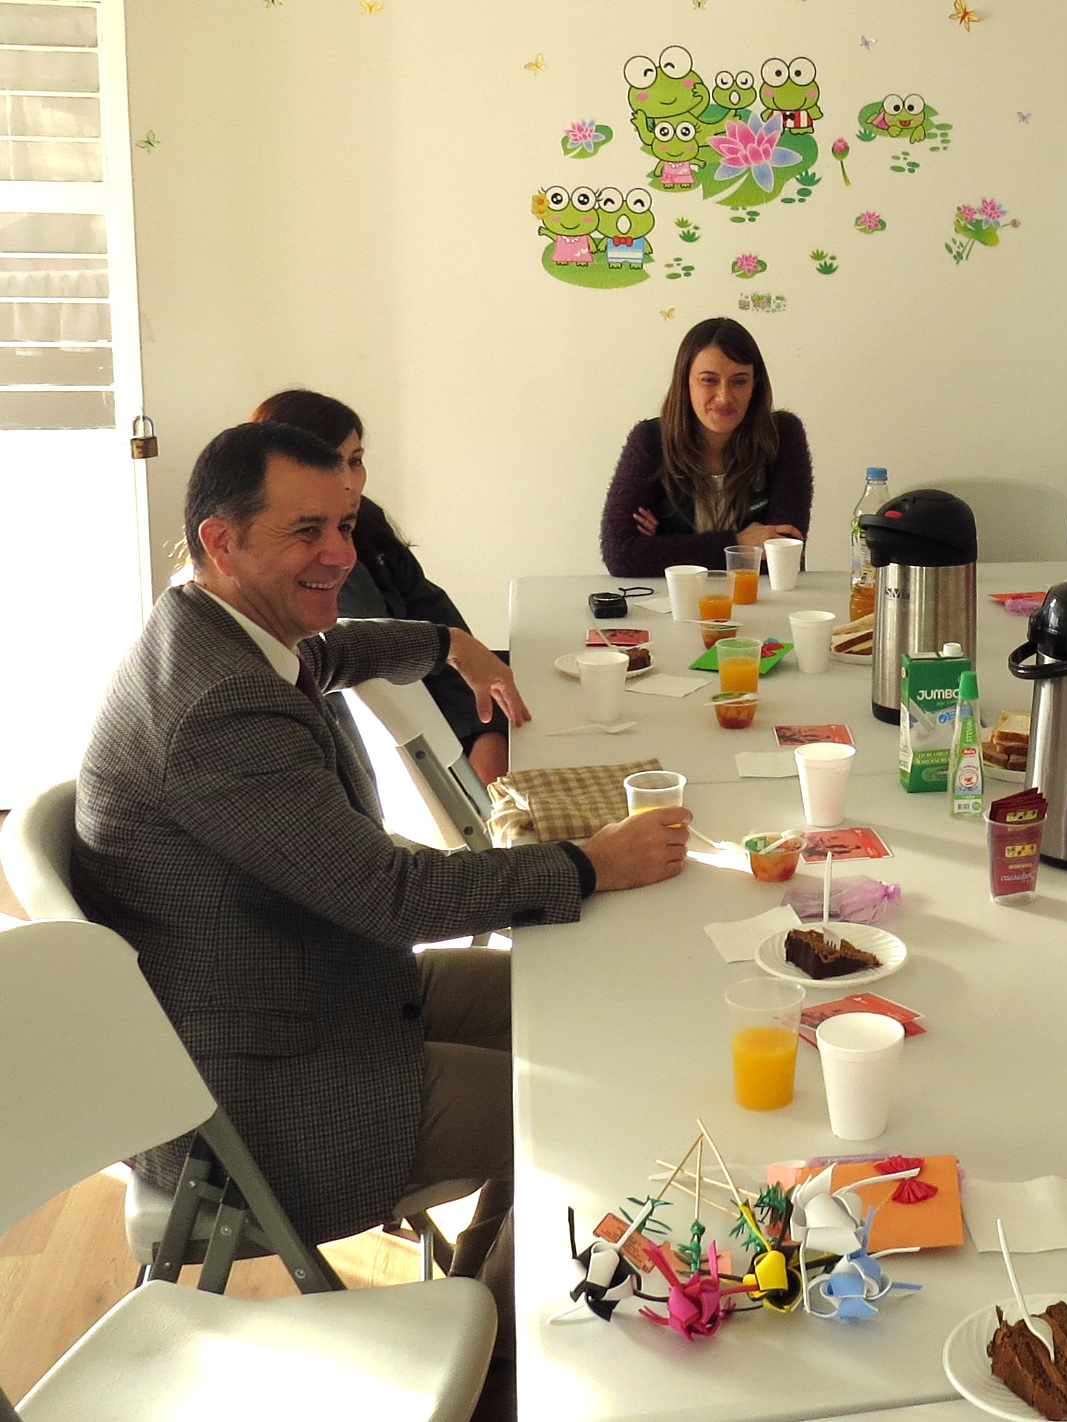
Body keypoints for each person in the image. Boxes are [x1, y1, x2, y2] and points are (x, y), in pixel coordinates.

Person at [72, 422, 693, 1321]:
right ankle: (510, 1354)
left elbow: (336, 649)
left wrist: (446, 643)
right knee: (597, 1110)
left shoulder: (210, 621)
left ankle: (487, 1299)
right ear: (222, 538)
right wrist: (592, 864)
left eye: (346, 524)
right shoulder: (219, 712)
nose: (338, 553)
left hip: (303, 992)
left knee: (593, 1017)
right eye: (307, 531)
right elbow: (393, 895)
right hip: (263, 1097)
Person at [250, 388, 512, 785]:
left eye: (355, 462)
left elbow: (431, 612)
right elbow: (381, 671)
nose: (348, 481)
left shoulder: (365, 519)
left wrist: (486, 726)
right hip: (398, 754)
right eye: (328, 464)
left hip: (444, 720)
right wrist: (476, 736)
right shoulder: (297, 567)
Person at [600, 317, 811, 577]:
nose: (724, 397)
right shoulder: (650, 440)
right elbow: (621, 555)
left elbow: (783, 554)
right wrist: (740, 543)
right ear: (685, 382)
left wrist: (663, 546)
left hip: (762, 602)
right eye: (709, 380)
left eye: (739, 381)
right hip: (673, 605)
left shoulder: (783, 435)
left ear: (755, 385)